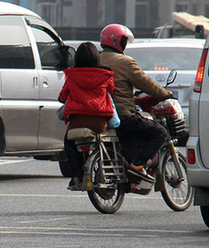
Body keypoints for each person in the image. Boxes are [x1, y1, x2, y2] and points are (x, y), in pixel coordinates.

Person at [99, 23, 172, 183]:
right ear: (118, 41)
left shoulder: (95, 59)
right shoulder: (125, 62)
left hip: (99, 116)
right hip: (122, 116)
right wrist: (166, 94)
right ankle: (137, 166)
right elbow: (146, 83)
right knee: (160, 133)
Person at [58, 42, 115, 190]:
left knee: (69, 142)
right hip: (99, 121)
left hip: (77, 121)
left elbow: (62, 96)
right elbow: (112, 91)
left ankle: (76, 176)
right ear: (97, 57)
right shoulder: (106, 75)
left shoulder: (71, 75)